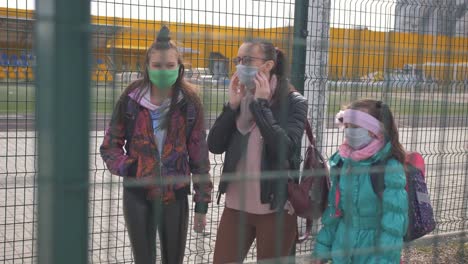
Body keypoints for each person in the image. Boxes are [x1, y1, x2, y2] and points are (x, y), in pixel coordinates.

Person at [100, 26, 213, 264]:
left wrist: (201, 204)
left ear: (179, 68)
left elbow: (199, 158)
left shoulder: (189, 103)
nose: (164, 70)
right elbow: (110, 147)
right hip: (137, 193)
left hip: (176, 195)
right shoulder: (131, 99)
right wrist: (130, 168)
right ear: (147, 67)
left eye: (170, 66)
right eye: (157, 65)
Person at [208, 39, 308, 263]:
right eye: (238, 60)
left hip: (275, 208)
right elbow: (214, 145)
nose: (241, 65)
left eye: (248, 60)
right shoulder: (241, 97)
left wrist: (262, 106)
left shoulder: (295, 102)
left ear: (268, 65)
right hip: (236, 206)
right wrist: (232, 106)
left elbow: (285, 149)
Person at [313, 99, 408, 264]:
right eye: (347, 126)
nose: (349, 132)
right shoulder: (342, 161)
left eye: (355, 127)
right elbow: (333, 213)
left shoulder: (388, 166)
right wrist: (321, 250)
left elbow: (394, 224)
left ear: (374, 131)